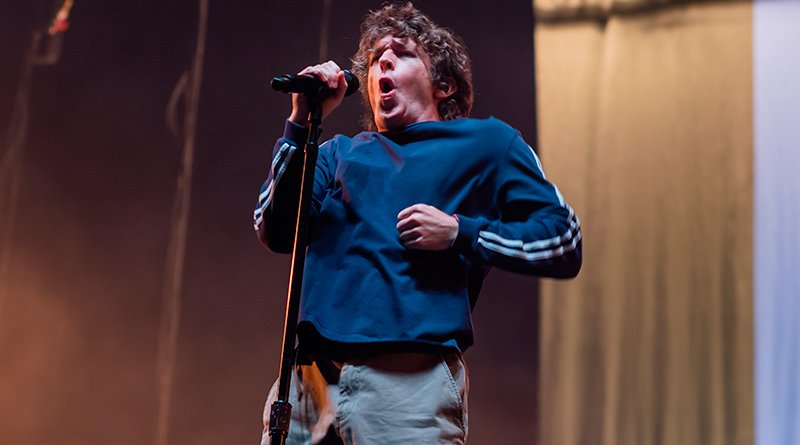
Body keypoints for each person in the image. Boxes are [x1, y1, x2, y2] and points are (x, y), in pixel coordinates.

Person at [253, 3, 581, 444]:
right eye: (375, 59)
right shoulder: (336, 153)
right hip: (307, 383)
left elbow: (563, 238)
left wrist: (461, 233)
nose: (383, 62)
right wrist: (300, 123)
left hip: (407, 386)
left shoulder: (487, 144)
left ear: (443, 84)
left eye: (402, 53)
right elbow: (274, 229)